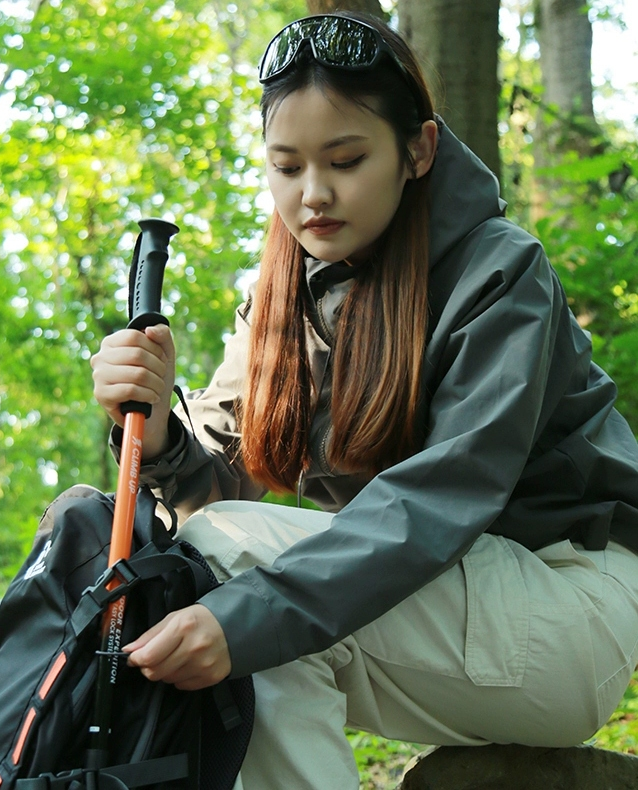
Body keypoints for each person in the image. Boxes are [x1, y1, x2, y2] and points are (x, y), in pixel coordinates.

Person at [90, 12, 638, 788]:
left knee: (235, 577)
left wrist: (243, 614)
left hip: (572, 605)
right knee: (224, 592)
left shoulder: (499, 275)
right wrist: (150, 423)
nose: (313, 195)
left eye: (345, 160)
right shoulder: (280, 303)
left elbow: (441, 498)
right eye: (286, 167)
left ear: (418, 149)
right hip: (441, 608)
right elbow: (218, 479)